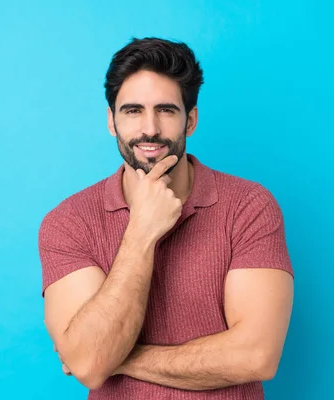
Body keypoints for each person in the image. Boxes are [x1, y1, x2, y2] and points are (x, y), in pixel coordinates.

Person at [38, 37, 294, 399]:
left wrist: (119, 359)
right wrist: (141, 231)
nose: (150, 128)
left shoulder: (248, 206)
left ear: (190, 120)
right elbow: (90, 366)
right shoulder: (69, 222)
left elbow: (256, 356)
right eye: (132, 111)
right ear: (112, 121)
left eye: (166, 110)